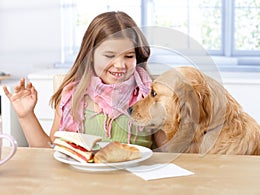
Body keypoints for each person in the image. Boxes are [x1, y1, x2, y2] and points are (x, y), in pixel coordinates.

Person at [2, 11, 153, 148]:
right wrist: (26, 115)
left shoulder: (151, 95)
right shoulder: (72, 96)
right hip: (80, 178)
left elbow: (169, 154)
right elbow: (49, 152)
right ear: (90, 56)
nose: (120, 65)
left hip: (133, 178)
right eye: (110, 56)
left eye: (129, 56)